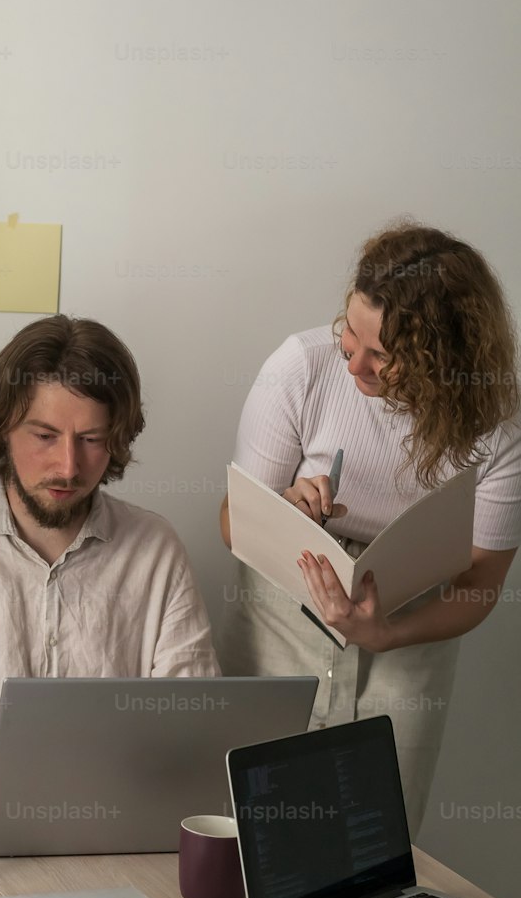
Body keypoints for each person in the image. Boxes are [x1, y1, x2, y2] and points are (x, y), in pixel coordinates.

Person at [218, 221, 521, 836]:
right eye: (349, 335)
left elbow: (481, 584)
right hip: (281, 617)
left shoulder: (500, 427)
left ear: (447, 358)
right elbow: (230, 523)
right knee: (256, 831)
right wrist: (284, 506)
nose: (355, 362)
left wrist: (387, 633)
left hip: (411, 632)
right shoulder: (301, 367)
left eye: (382, 354)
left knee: (376, 841)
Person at [0, 315, 220, 788]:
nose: (68, 466)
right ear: (3, 427)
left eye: (92, 440)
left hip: (116, 810)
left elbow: (193, 719)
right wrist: (28, 765)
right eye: (45, 436)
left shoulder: (155, 548)